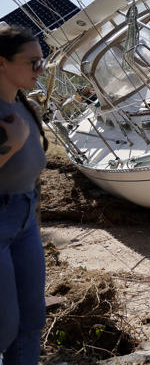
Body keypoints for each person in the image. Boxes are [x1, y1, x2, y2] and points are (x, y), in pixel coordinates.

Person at [0, 25, 49, 365]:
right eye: (33, 63)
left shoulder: (23, 106)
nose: (40, 70)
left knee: (32, 321)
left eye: (42, 63)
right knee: (3, 327)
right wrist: (12, 144)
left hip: (25, 219)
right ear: (2, 62)